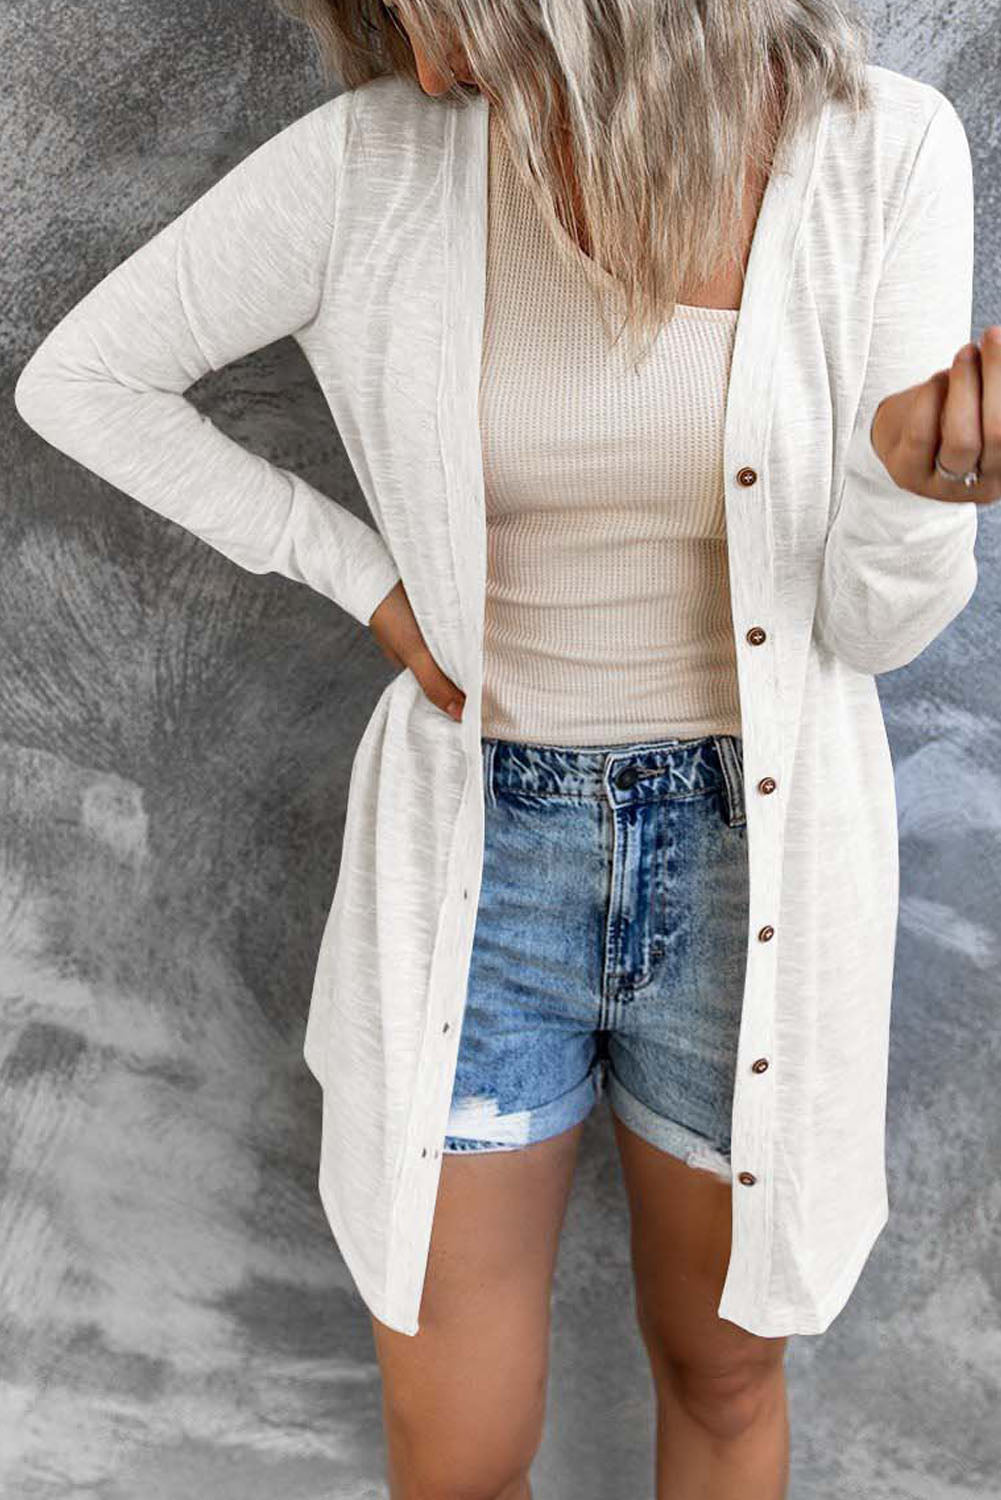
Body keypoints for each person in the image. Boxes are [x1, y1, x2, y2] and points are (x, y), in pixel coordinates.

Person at [14, 3, 997, 1498]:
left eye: (440, 16)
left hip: (756, 876)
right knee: (459, 1449)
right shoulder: (377, 163)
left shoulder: (883, 154)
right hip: (480, 867)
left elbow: (873, 632)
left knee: (725, 1374)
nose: (424, 69)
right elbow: (81, 380)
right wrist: (363, 578)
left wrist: (915, 494)